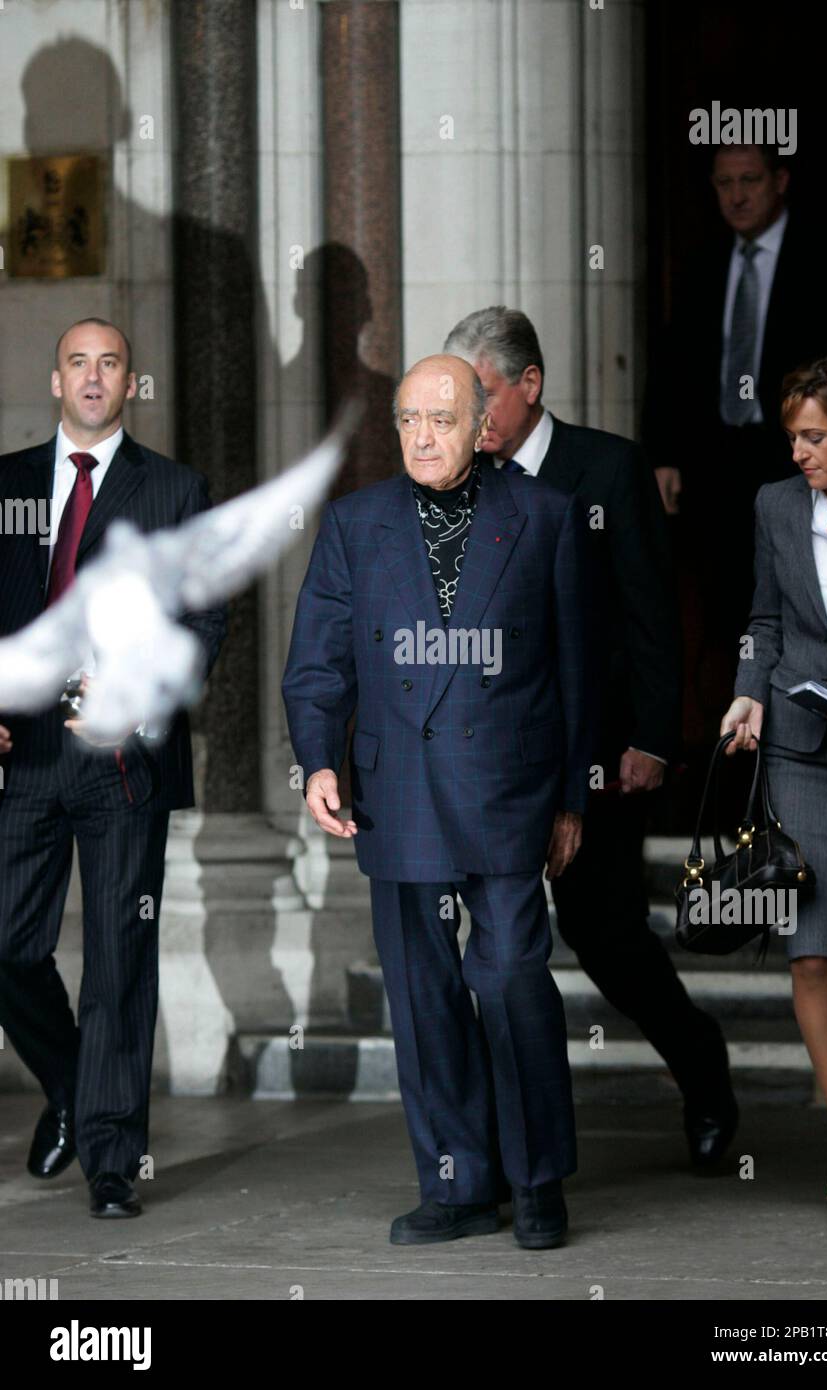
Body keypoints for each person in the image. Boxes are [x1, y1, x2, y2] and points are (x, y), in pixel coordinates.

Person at [282, 354, 592, 1249]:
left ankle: (536, 1182)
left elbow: (576, 674)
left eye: (442, 419)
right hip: (397, 792)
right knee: (421, 998)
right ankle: (458, 1185)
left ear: (482, 425)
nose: (422, 435)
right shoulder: (354, 523)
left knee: (508, 981)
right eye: (409, 419)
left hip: (509, 790)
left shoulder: (544, 518)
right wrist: (317, 762)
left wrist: (572, 798)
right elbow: (317, 666)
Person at [444, 306, 739, 1166]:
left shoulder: (607, 468)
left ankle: (700, 1061)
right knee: (492, 936)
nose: (468, 416)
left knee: (603, 929)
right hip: (491, 752)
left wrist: (654, 736)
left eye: (481, 395)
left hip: (599, 748)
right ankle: (501, 1139)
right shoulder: (459, 475)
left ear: (530, 387)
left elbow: (650, 613)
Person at [0, 319, 226, 1218]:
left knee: (119, 961)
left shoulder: (173, 490)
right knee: (8, 946)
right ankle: (70, 1084)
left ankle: (111, 1160)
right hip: (24, 756)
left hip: (122, 763)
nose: (94, 378)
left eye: (112, 364)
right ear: (56, 380)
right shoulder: (7, 484)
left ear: (133, 383)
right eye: (78, 364)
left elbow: (203, 621)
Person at [721, 356, 827, 1228]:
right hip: (798, 754)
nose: (800, 451)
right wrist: (749, 689)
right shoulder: (774, 507)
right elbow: (763, 620)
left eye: (816, 435)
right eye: (792, 435)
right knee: (814, 956)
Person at [645, 144, 827, 715]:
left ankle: (817, 709)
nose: (736, 195)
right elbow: (672, 362)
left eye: (749, 179)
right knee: (728, 604)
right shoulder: (704, 259)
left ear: (780, 180)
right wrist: (664, 453)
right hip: (716, 463)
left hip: (796, 457)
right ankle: (734, 722)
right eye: (723, 182)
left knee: (808, 592)